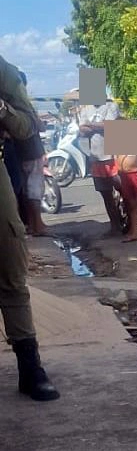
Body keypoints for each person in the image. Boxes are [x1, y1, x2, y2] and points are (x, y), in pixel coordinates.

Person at [0, 54, 59, 401]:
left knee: (10, 265)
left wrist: (3, 111)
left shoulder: (2, 71)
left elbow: (28, 125)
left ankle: (30, 367)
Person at [76, 95, 123, 235]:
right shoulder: (86, 109)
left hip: (113, 156)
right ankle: (115, 226)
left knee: (124, 190)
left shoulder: (111, 105)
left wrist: (90, 125)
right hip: (96, 158)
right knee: (106, 194)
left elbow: (110, 126)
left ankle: (133, 223)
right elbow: (82, 131)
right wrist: (97, 126)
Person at [14, 71, 51, 237]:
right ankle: (38, 224)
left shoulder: (9, 104)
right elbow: (41, 127)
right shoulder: (24, 105)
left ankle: (32, 224)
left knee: (25, 190)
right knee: (35, 190)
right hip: (31, 150)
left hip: (18, 152)